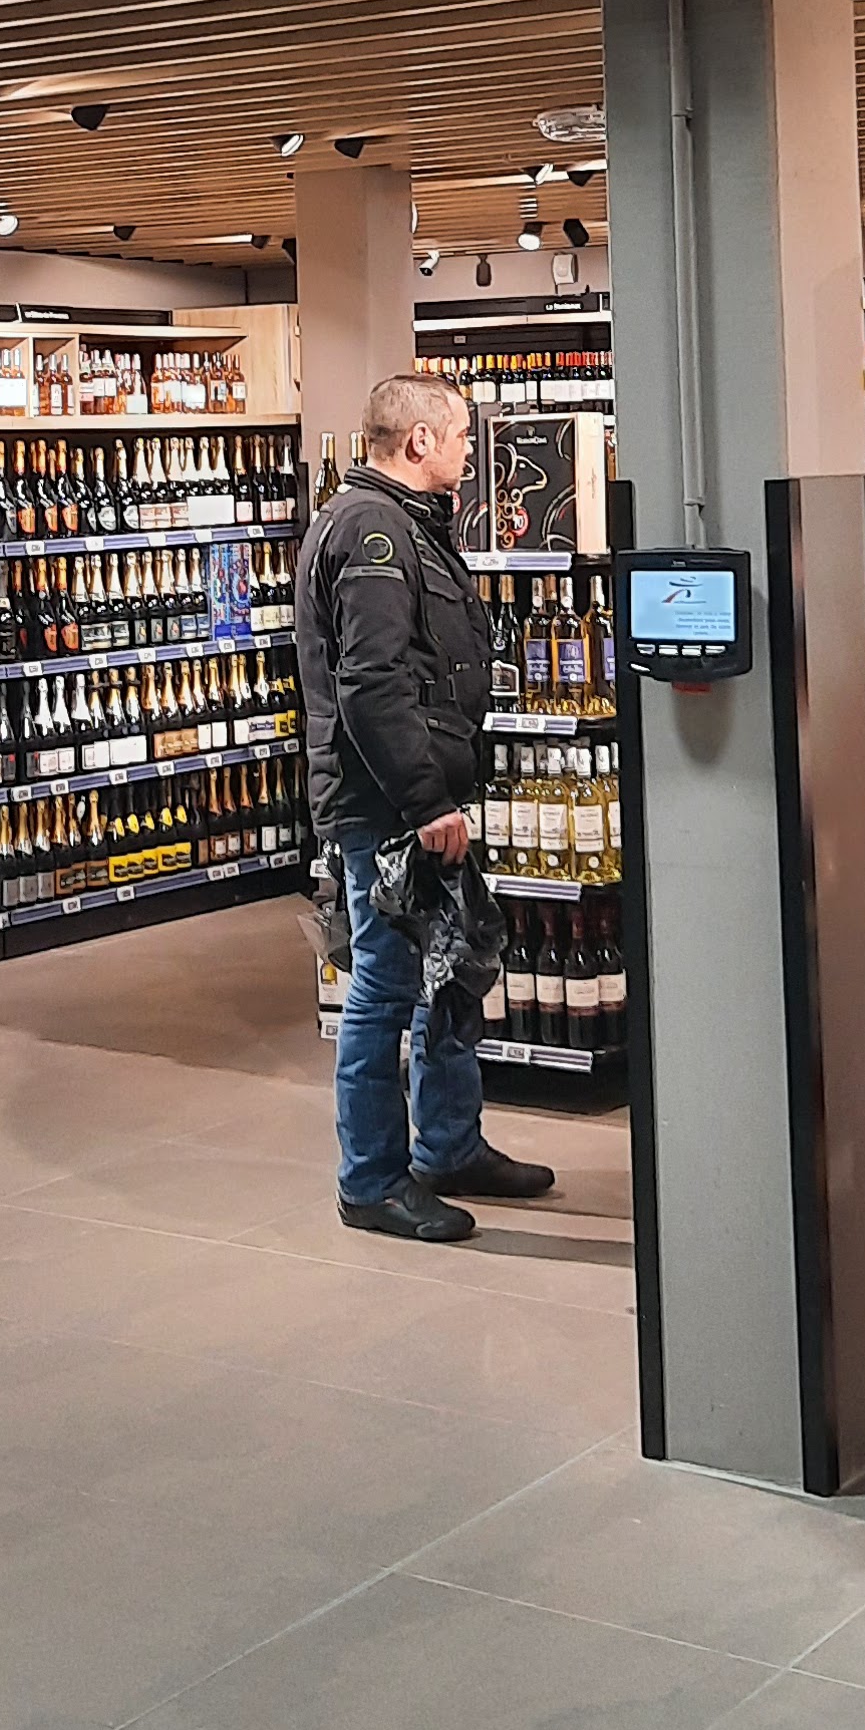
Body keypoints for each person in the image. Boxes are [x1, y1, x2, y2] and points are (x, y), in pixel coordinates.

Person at [294, 369, 556, 1243]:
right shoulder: (370, 531)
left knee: (453, 969)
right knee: (384, 984)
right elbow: (372, 684)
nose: (470, 450)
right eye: (462, 435)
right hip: (388, 806)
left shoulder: (403, 521)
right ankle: (371, 1182)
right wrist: (422, 802)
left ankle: (449, 1146)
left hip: (419, 795)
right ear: (419, 442)